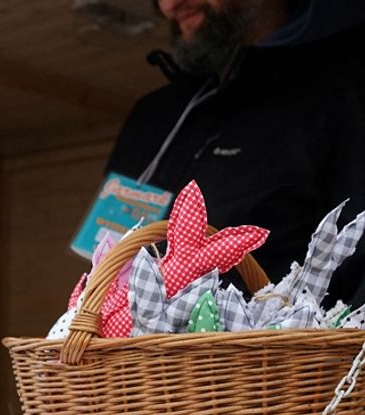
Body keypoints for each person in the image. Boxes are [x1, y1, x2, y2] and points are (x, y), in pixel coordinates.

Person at [102, 0, 365, 304]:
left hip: (269, 350)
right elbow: (100, 263)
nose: (171, 5)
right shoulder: (150, 118)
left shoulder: (343, 89)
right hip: (127, 350)